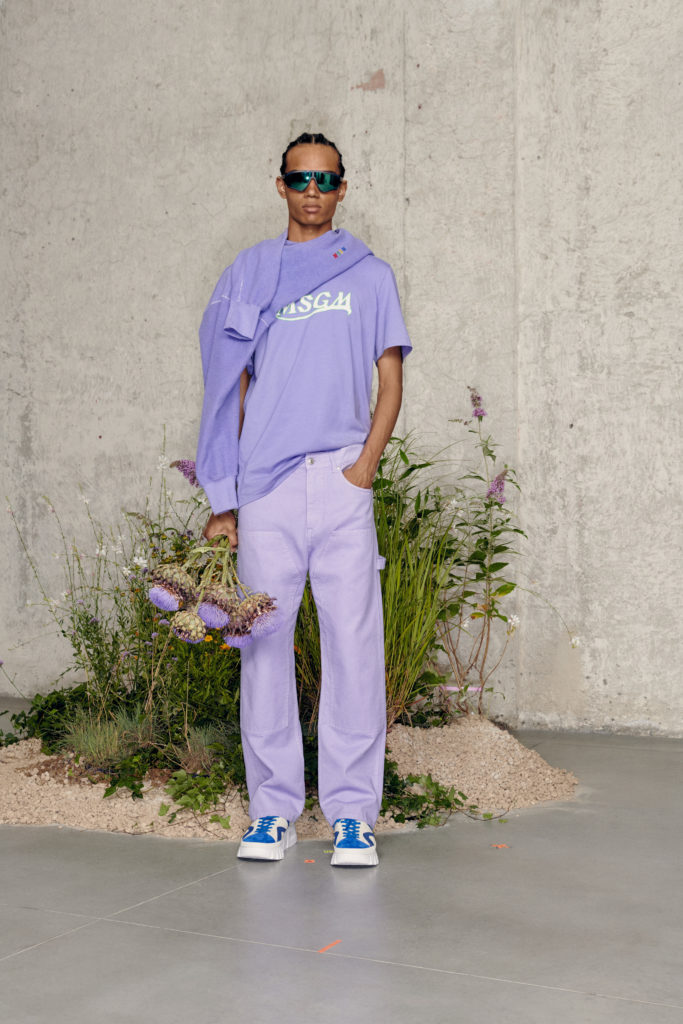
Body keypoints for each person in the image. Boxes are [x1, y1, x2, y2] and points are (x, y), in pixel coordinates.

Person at [196, 131, 411, 867]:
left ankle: (352, 815)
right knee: (263, 648)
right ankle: (273, 812)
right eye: (299, 179)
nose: (311, 191)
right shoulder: (251, 273)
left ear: (342, 188)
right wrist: (226, 496)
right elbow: (228, 387)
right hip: (268, 487)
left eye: (324, 180)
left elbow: (390, 381)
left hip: (341, 478)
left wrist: (363, 469)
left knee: (354, 647)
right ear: (280, 185)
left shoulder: (371, 276)